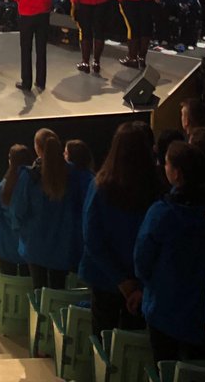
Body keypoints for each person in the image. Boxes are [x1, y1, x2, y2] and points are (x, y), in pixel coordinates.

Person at [134, 139, 205, 366]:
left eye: (166, 164)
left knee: (164, 368)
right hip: (202, 312)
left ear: (177, 173)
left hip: (164, 310)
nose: (163, 167)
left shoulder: (162, 213)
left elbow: (142, 262)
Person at [80, 121, 162, 336]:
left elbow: (92, 239)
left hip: (105, 278)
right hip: (142, 284)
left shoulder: (99, 186)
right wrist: (138, 285)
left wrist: (120, 280)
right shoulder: (159, 188)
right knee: (134, 345)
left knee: (103, 342)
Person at [11, 127, 90, 290]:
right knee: (59, 294)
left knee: (39, 293)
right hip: (64, 247)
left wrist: (20, 231)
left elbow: (18, 210)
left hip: (35, 246)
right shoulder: (76, 174)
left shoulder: (29, 176)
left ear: (37, 148)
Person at [0, 144, 35, 275]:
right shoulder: (35, 186)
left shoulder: (1, 187)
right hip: (30, 246)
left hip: (5, 246)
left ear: (10, 160)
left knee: (8, 284)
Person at [11, 0, 53, 92]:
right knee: (41, 49)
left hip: (27, 15)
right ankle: (41, 81)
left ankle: (26, 82)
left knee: (26, 49)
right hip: (43, 14)